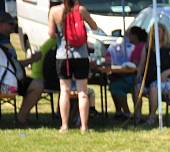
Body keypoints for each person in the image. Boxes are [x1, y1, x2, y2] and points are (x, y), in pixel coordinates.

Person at [48, 0, 97, 132]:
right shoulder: (81, 10)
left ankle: (64, 125)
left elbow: (51, 34)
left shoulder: (54, 11)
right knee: (83, 92)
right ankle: (84, 126)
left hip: (63, 55)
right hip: (81, 56)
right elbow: (94, 26)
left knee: (64, 91)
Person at [0, 12, 43, 125]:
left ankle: (22, 117)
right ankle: (22, 118)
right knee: (38, 85)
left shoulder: (6, 40)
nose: (13, 26)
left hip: (11, 79)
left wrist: (31, 60)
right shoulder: (2, 42)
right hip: (5, 83)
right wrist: (32, 60)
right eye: (10, 23)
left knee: (38, 84)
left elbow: (13, 64)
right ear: (1, 25)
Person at [135, 22, 170, 126]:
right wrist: (138, 76)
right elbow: (142, 65)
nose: (156, 34)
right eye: (154, 31)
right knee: (138, 87)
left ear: (164, 33)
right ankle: (137, 117)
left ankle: (152, 117)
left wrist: (166, 73)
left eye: (159, 31)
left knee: (154, 87)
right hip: (150, 79)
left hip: (169, 81)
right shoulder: (148, 47)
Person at [107, 25, 146, 119]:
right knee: (114, 82)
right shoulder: (138, 46)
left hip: (135, 78)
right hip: (134, 76)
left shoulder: (139, 47)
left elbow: (135, 65)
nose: (127, 37)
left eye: (129, 35)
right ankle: (123, 111)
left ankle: (127, 112)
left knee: (115, 86)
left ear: (135, 36)